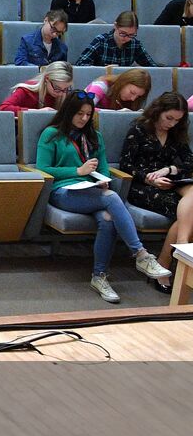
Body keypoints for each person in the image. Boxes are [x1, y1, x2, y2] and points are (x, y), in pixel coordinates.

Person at [36, 92, 172, 304]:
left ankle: (99, 277)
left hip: (92, 191)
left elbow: (105, 168)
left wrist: (103, 179)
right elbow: (43, 169)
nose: (84, 118)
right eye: (79, 113)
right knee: (112, 199)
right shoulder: (51, 134)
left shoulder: (94, 136)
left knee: (108, 219)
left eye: (88, 114)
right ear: (69, 112)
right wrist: (78, 171)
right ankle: (141, 254)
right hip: (63, 192)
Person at [121, 92, 193, 279]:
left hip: (171, 181)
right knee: (187, 211)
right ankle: (174, 254)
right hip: (142, 186)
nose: (172, 124)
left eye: (177, 120)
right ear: (158, 111)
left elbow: (189, 162)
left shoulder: (177, 133)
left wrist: (169, 169)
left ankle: (170, 255)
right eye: (169, 118)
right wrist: (149, 179)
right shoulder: (139, 129)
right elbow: (126, 165)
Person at [77, 12, 155, 67]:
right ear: (115, 26)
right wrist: (102, 70)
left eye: (131, 35)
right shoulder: (101, 41)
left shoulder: (135, 44)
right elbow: (80, 64)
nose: (126, 38)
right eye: (122, 33)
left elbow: (152, 67)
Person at [0, 62, 73, 113]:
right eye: (57, 88)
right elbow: (4, 108)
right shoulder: (26, 90)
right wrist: (36, 112)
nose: (60, 93)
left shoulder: (65, 93)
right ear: (46, 79)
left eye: (65, 89)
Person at [86, 69, 151, 111]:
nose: (133, 99)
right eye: (132, 92)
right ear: (123, 82)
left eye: (138, 96)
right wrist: (117, 113)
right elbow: (85, 108)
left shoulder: (132, 100)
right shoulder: (100, 86)